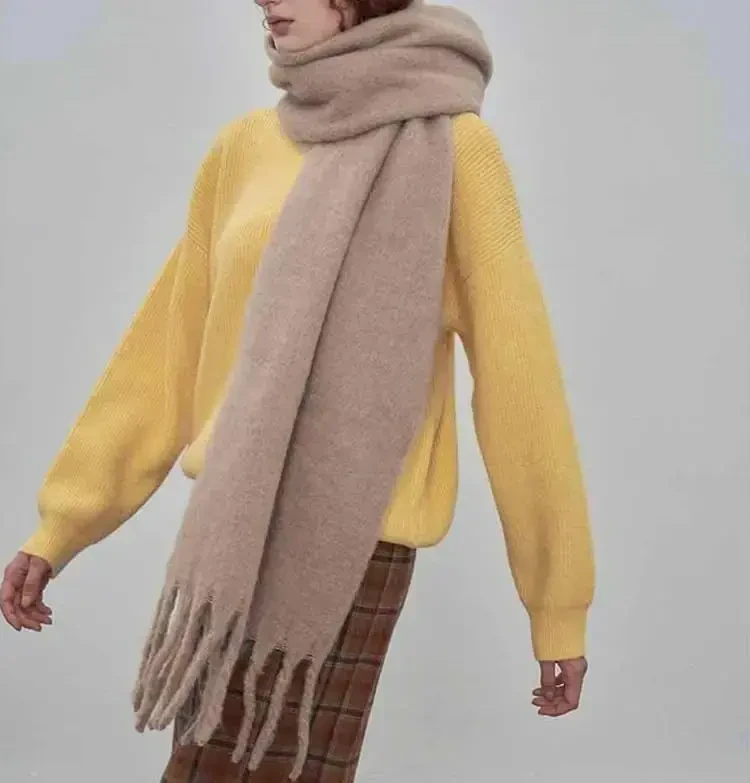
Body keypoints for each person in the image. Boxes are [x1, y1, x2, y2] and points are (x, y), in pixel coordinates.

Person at [1, 1, 596, 780]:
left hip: (352, 544)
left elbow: (522, 387)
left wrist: (557, 606)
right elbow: (166, 357)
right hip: (232, 520)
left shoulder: (454, 151)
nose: (265, 0)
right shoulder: (245, 148)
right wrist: (64, 523)